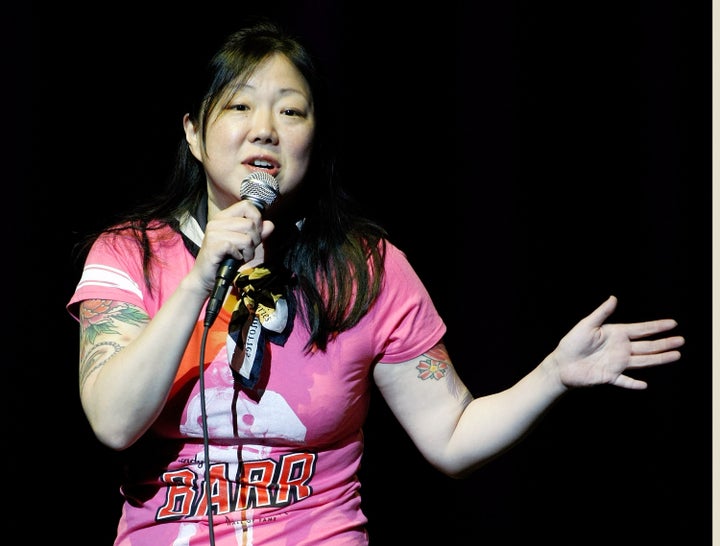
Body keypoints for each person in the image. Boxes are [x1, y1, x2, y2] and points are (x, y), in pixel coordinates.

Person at [66, 19, 685, 546]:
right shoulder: (129, 255)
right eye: (239, 105)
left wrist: (552, 374)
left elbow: (450, 436)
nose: (265, 128)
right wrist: (201, 280)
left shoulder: (369, 269)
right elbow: (115, 421)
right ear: (193, 134)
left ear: (312, 139)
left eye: (290, 110)